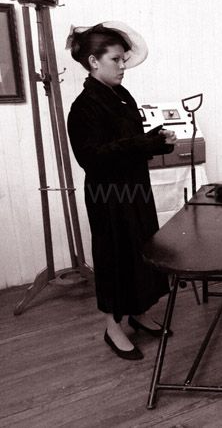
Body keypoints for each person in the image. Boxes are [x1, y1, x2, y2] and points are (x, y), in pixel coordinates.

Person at [66, 22, 177, 360]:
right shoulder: (83, 107)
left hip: (135, 188)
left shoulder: (122, 96)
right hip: (109, 197)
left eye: (123, 60)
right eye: (115, 60)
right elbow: (92, 157)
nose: (123, 66)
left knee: (141, 251)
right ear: (93, 61)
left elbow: (129, 143)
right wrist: (144, 143)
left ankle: (139, 312)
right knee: (114, 257)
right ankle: (112, 327)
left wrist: (157, 141)